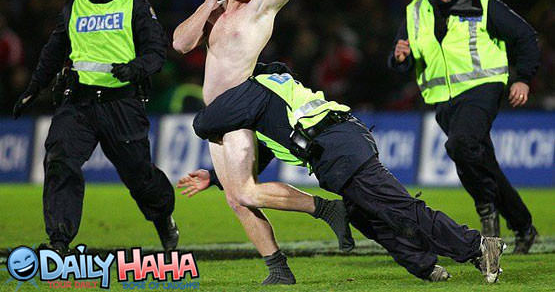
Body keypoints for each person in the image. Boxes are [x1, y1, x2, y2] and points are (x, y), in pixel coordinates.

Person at [188, 62, 507, 283]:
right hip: (340, 140)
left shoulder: (251, 90)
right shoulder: (272, 89)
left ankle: (479, 246)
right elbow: (266, 152)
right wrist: (215, 177)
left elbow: (203, 123)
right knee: (365, 216)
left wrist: (222, 114)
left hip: (336, 147)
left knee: (399, 208)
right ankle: (425, 267)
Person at [173, 0, 336, 285]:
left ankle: (327, 210)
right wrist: (207, 2)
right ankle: (278, 268)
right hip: (216, 119)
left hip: (240, 113)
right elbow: (180, 44)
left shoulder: (261, 7)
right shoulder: (212, 13)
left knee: (246, 192)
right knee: (236, 199)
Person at [12, 0, 178, 253]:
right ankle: (59, 242)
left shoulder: (135, 3)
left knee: (139, 176)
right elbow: (54, 50)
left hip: (122, 104)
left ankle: (162, 216)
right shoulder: (74, 5)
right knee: (60, 161)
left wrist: (136, 68)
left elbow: (157, 51)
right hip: (77, 104)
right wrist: (34, 88)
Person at [388, 0, 540, 254]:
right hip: (443, 98)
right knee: (482, 161)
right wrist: (400, 58)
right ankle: (524, 226)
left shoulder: (483, 2)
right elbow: (404, 57)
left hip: (483, 88)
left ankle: (486, 210)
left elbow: (525, 36)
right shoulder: (416, 10)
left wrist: (523, 79)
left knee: (460, 145)